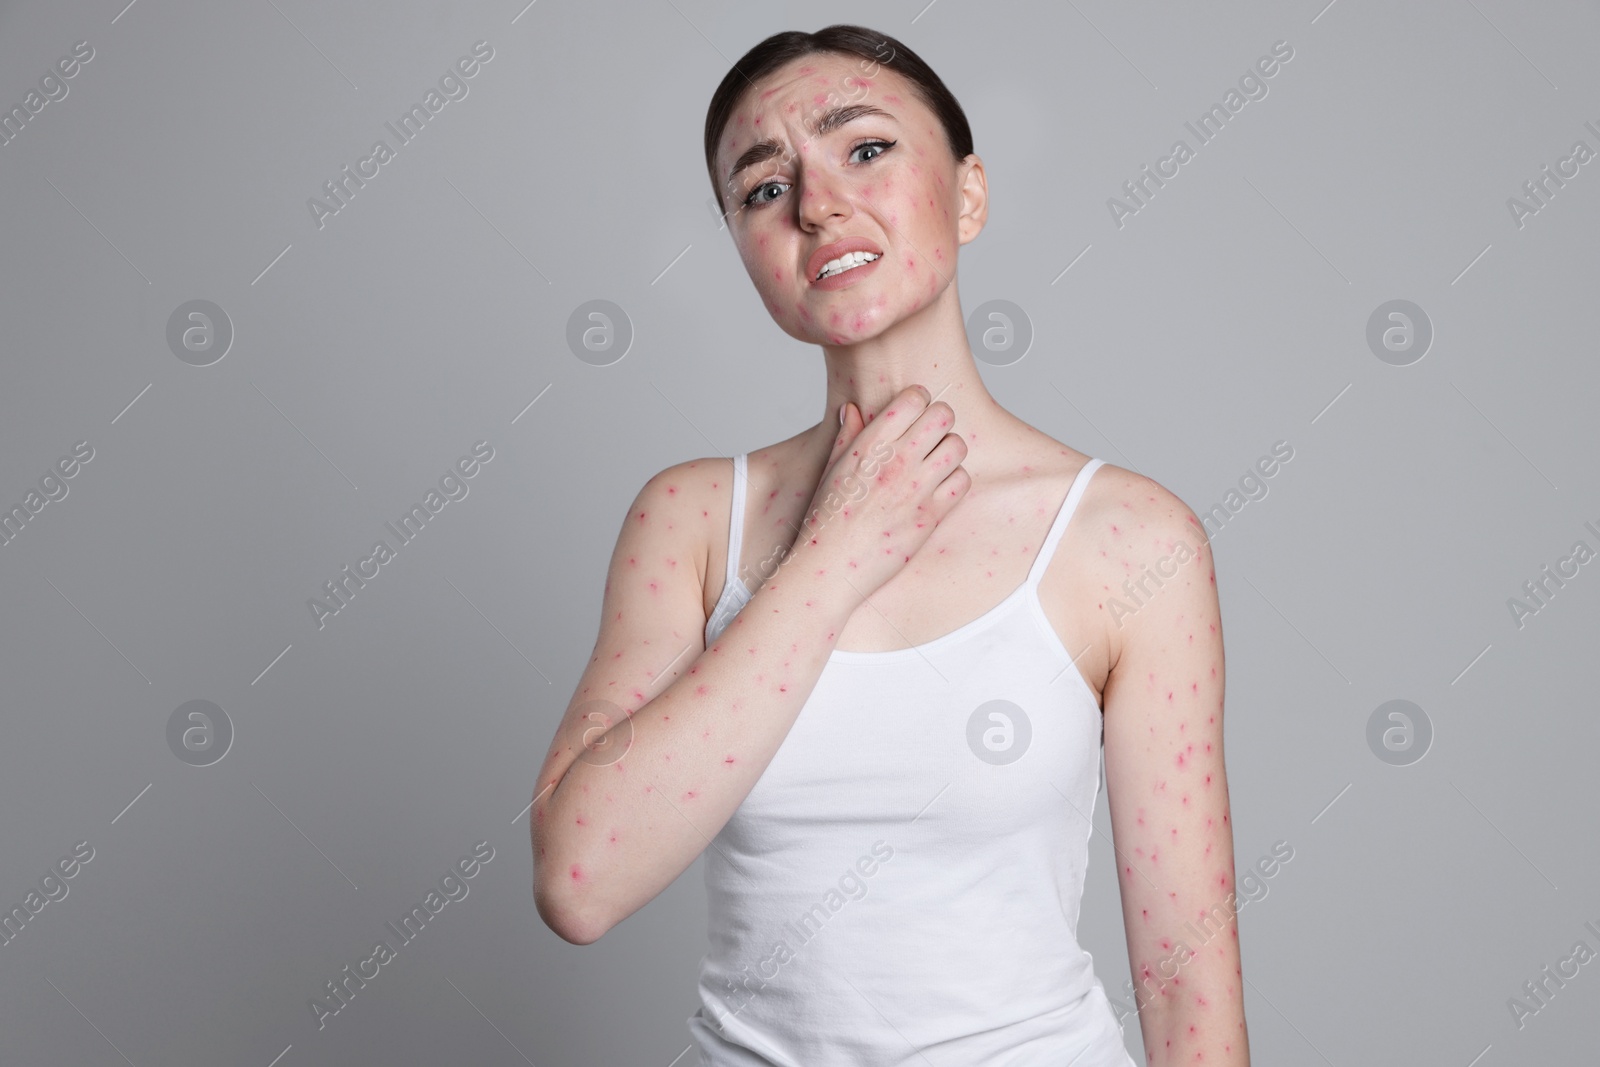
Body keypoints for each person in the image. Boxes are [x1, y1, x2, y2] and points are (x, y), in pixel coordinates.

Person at [533, 23, 1249, 1067]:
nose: (816, 203)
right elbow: (579, 879)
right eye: (762, 189)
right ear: (743, 249)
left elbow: (1188, 988)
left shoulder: (1128, 539)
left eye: (863, 148)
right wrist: (832, 556)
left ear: (967, 195)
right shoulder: (690, 520)